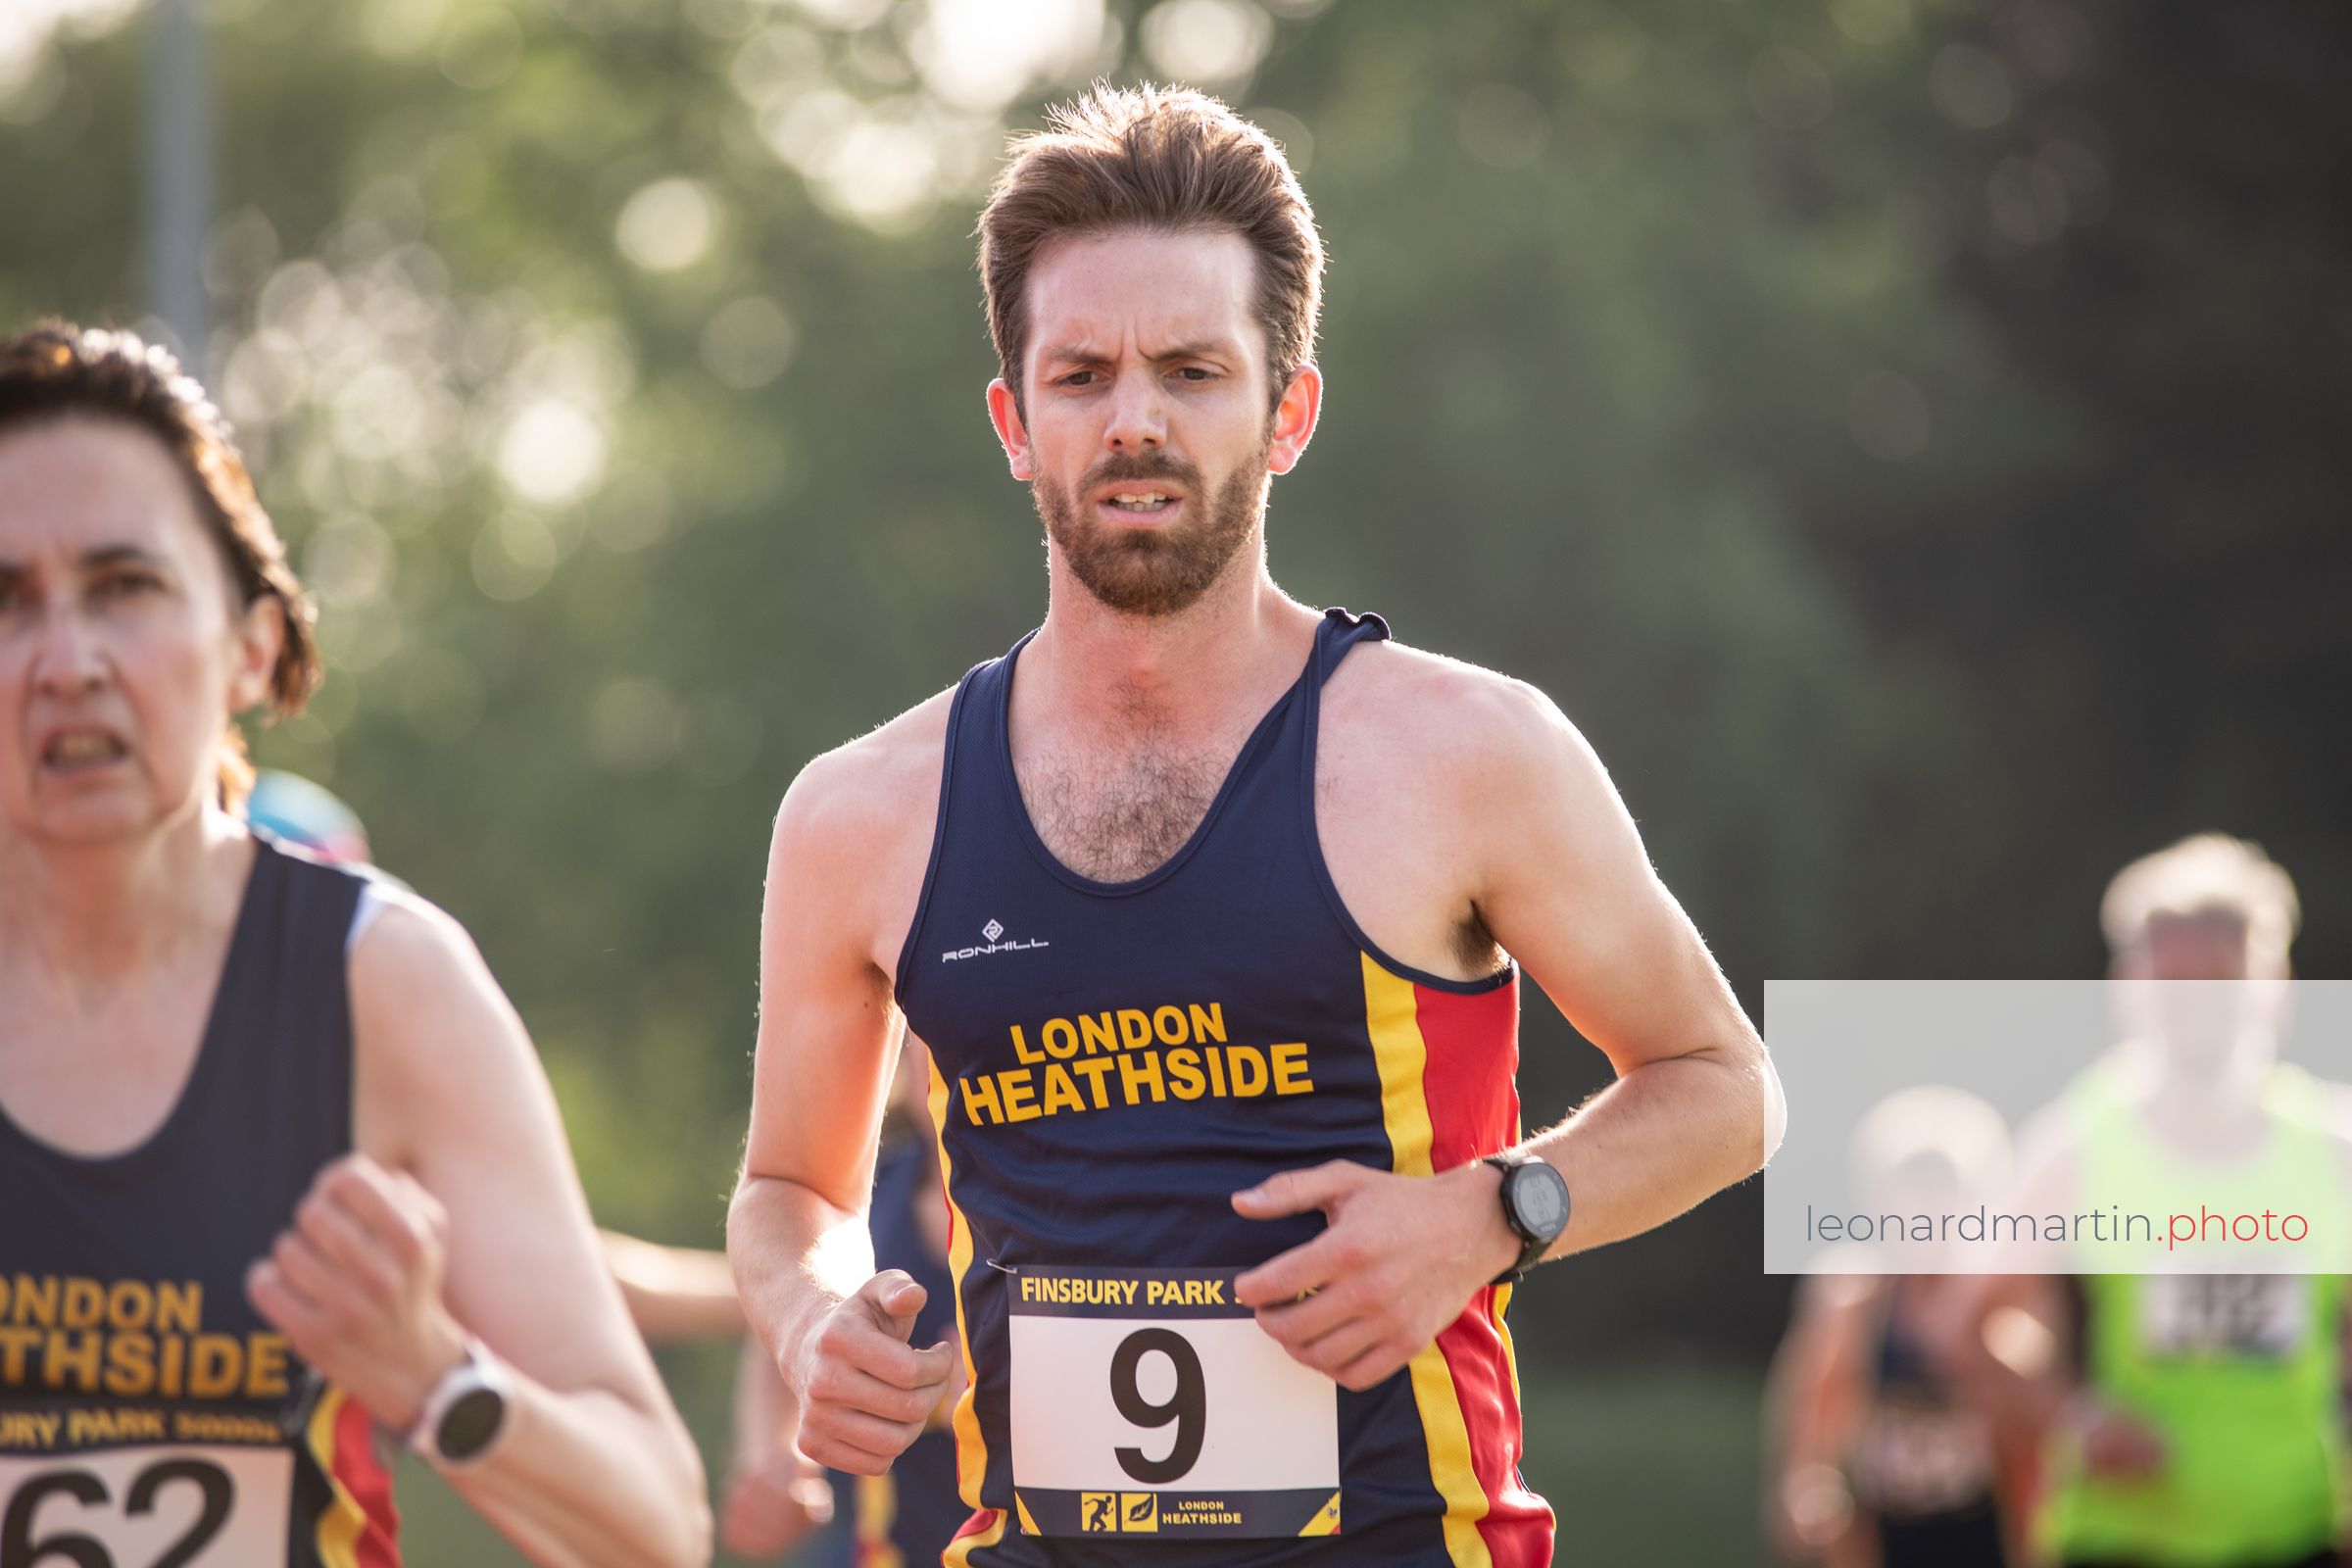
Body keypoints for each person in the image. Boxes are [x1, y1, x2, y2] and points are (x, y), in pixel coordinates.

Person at [728, 84, 1783, 1566]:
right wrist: (811, 1313)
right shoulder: (862, 810)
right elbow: (790, 1189)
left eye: (1193, 370)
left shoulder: (1467, 752)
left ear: (1289, 411)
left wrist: (1494, 1212)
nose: (1135, 420)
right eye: (1081, 375)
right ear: (1014, 423)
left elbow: (1728, 1088)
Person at [0, 321, 709, 1568]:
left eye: (124, 586)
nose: (68, 661)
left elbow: (656, 1526)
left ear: (253, 643)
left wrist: (437, 1378)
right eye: (8, 601)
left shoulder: (382, 983)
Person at [1936, 834, 2352, 1568]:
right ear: (2129, 987)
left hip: (2298, 1533)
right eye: (2173, 980)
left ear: (2275, 984)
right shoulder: (2076, 1145)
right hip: (2122, 1540)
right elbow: (1971, 1323)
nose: (2199, 1005)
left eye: (2220, 979)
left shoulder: (2331, 1147)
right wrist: (2075, 1417)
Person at [1766, 1089, 2019, 1567]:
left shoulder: (1998, 1300)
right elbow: (1815, 1404)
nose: (1925, 1213)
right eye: (1911, 1194)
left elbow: (2031, 1423)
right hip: (1886, 1534)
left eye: (1942, 1194)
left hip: (1983, 1535)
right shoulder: (1852, 1297)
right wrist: (1806, 1486)